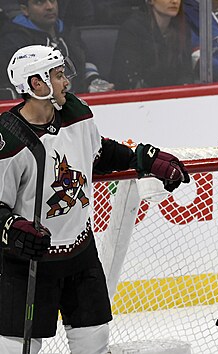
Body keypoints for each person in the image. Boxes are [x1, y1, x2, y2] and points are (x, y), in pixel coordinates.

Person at [0, 45, 190, 354]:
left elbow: (96, 152)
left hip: (80, 254)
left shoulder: (76, 113)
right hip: (29, 265)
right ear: (36, 84)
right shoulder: (8, 143)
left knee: (94, 347)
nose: (66, 82)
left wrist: (140, 158)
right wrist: (14, 228)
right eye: (58, 76)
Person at [0, 0, 114, 94]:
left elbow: (85, 61)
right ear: (25, 10)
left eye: (52, 1)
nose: (49, 7)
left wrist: (93, 81)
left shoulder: (69, 32)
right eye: (40, 2)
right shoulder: (13, 41)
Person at [111, 0, 194, 90]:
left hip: (173, 98)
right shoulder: (133, 29)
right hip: (140, 98)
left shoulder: (182, 29)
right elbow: (128, 80)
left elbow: (186, 73)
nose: (174, 1)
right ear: (150, 1)